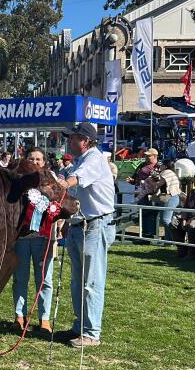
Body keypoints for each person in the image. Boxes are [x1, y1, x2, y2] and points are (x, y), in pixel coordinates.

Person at [56, 122, 116, 348]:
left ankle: (91, 333)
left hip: (95, 224)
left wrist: (63, 183)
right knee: (78, 280)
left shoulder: (94, 159)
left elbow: (78, 179)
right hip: (80, 224)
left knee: (91, 280)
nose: (68, 141)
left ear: (86, 140)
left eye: (72, 138)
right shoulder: (80, 160)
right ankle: (81, 325)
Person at [11, 148, 56, 335]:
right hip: (22, 237)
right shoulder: (18, 180)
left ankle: (44, 319)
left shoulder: (52, 181)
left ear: (44, 162)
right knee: (20, 278)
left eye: (38, 159)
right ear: (25, 160)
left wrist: (59, 225)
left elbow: (59, 206)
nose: (35, 162)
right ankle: (19, 316)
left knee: (44, 280)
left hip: (44, 237)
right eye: (31, 159)